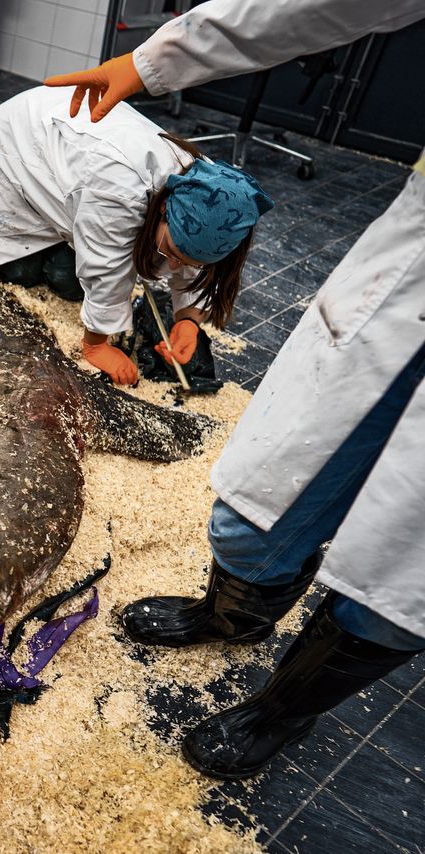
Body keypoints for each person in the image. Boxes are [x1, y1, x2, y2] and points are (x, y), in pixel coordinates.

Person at [47, 0, 425, 781]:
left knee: (400, 572)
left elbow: (183, 265)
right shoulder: (135, 193)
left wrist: (184, 321)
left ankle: (278, 712)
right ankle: (228, 619)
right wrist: (158, 60)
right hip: (412, 284)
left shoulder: (186, 217)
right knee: (267, 491)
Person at [0, 85, 272, 386]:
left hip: (79, 158)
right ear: (162, 210)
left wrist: (189, 320)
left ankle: (64, 241)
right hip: (21, 139)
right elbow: (103, 266)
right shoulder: (119, 188)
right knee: (37, 275)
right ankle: (34, 250)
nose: (173, 266)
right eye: (172, 251)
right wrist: (96, 345)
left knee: (78, 277)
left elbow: (197, 258)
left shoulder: (215, 195)